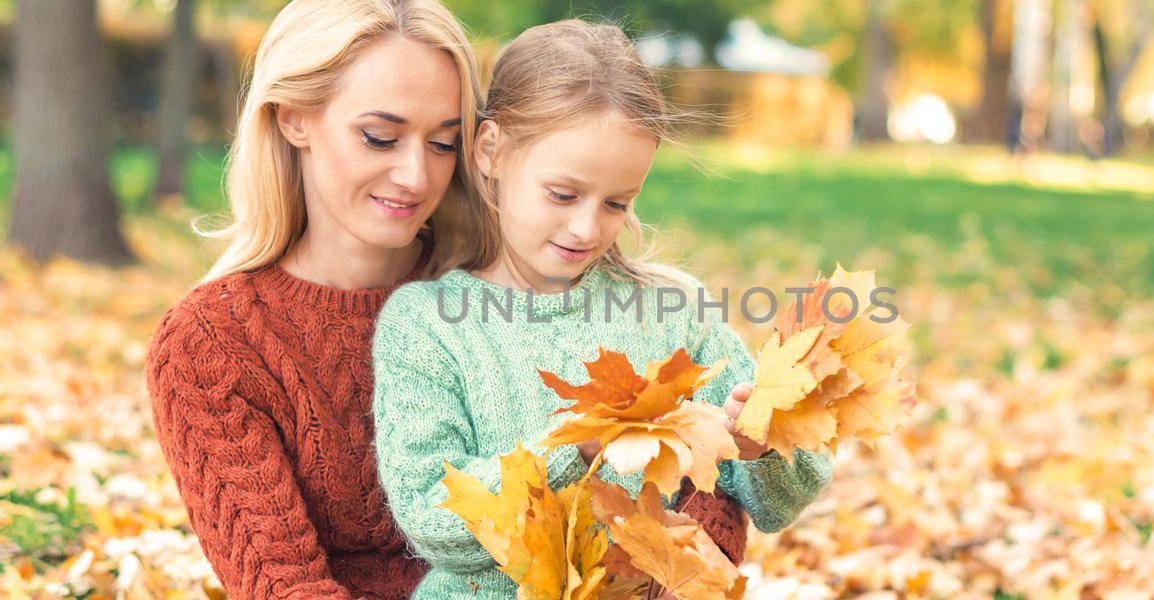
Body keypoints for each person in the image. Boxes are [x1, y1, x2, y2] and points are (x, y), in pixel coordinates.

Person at [143, 2, 750, 598]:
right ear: (293, 117)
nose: (415, 176)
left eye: (441, 143)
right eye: (380, 137)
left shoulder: (529, 282)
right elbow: (280, 583)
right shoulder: (211, 346)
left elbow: (700, 466)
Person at [370, 19, 832, 598]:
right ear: (492, 150)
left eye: (617, 202)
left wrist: (760, 447)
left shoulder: (671, 309)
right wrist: (574, 446)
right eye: (563, 195)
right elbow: (433, 518)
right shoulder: (426, 326)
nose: (588, 227)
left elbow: (782, 501)